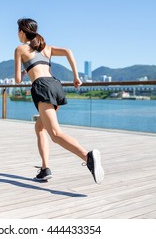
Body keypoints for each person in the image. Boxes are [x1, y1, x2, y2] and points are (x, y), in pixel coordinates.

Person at [14, 18, 104, 184]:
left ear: (21, 32)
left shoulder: (20, 49)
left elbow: (18, 80)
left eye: (17, 32)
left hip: (41, 87)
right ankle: (44, 169)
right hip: (55, 85)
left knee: (55, 134)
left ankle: (88, 157)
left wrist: (24, 72)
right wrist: (76, 77)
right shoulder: (46, 48)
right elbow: (68, 51)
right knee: (39, 127)